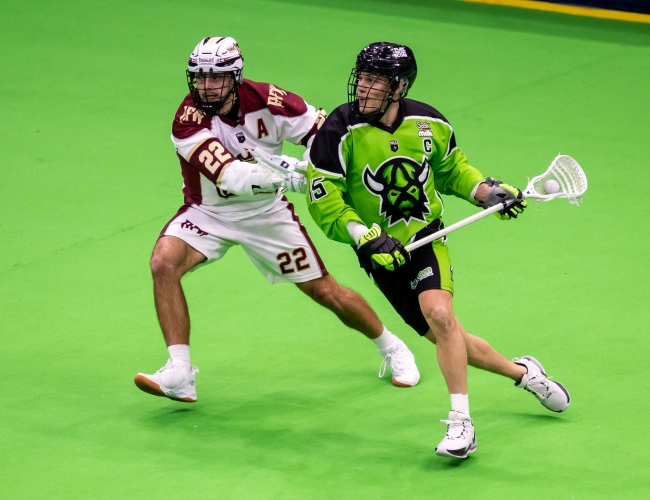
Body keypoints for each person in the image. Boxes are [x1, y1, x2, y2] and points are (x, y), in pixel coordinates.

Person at [304, 42, 570, 458]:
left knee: (441, 315)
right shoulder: (338, 131)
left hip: (426, 236)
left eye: (377, 80)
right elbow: (325, 199)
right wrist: (364, 236)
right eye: (364, 77)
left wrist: (486, 192)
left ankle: (461, 424)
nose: (365, 88)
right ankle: (524, 374)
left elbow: (452, 171)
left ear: (400, 87)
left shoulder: (430, 123)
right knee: (449, 336)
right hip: (378, 251)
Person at [133, 37, 421, 404]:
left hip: (267, 215)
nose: (206, 85)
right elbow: (228, 176)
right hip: (209, 213)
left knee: (326, 292)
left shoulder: (271, 100)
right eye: (200, 77)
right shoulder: (188, 119)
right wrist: (288, 176)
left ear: (235, 77)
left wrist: (317, 166)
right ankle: (179, 372)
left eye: (216, 78)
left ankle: (392, 347)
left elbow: (323, 134)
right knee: (163, 262)